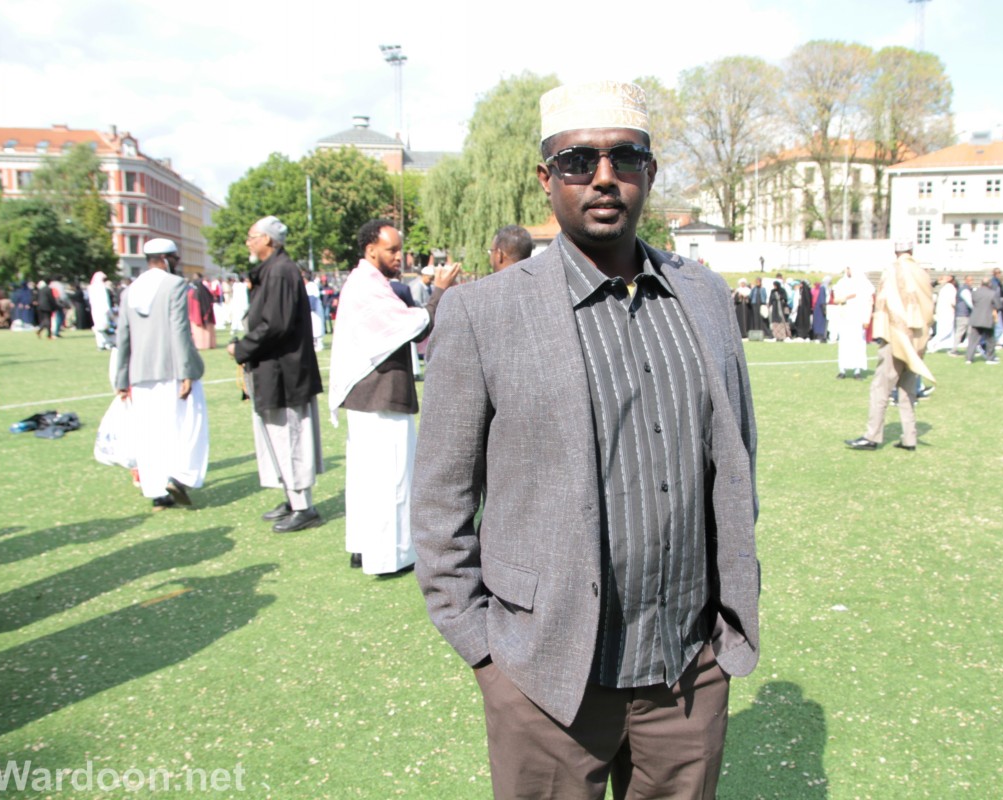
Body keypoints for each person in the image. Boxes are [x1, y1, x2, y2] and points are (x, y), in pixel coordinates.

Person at [412, 80, 760, 799]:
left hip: (687, 672)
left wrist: (722, 641)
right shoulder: (483, 313)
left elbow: (736, 464)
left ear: (649, 172)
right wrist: (483, 651)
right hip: (542, 681)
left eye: (624, 158)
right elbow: (441, 500)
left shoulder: (703, 297)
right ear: (547, 179)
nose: (603, 177)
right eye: (577, 161)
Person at [328, 219, 459, 574]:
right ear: (371, 249)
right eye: (392, 250)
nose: (400, 256)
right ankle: (390, 556)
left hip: (369, 395)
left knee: (368, 479)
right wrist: (440, 292)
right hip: (379, 394)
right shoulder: (366, 285)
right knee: (392, 479)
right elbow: (412, 325)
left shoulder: (367, 282)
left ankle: (365, 547)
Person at [228, 216, 326, 532]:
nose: (248, 243)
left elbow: (275, 325)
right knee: (277, 436)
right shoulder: (272, 271)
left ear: (267, 240)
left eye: (252, 237)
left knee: (290, 435)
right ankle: (291, 498)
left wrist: (242, 348)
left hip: (286, 371)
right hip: (274, 369)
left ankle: (303, 506)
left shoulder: (281, 271)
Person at [113, 238, 208, 509]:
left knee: (149, 433)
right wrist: (187, 371)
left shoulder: (130, 290)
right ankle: (180, 477)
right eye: (175, 257)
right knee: (187, 425)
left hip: (139, 373)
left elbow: (123, 337)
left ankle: (158, 492)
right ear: (166, 258)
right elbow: (179, 329)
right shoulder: (174, 285)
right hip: (172, 369)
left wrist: (122, 379)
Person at [845, 241, 935, 451]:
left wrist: (884, 331)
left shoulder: (892, 271)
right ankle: (909, 437)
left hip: (897, 336)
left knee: (881, 388)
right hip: (917, 339)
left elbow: (885, 302)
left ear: (896, 252)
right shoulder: (922, 273)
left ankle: (872, 435)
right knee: (907, 390)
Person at [833, 266, 874, 378]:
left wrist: (867, 319)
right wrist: (847, 297)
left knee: (858, 344)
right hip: (845, 317)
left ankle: (857, 370)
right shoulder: (842, 283)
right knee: (844, 344)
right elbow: (836, 299)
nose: (848, 271)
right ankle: (842, 370)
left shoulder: (864, 284)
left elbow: (869, 302)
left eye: (850, 268)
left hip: (858, 319)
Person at [965, 278, 1002, 364]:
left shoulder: (975, 293)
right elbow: (998, 306)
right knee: (990, 340)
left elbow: (973, 303)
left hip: (976, 318)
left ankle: (969, 358)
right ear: (989, 284)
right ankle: (990, 358)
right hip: (988, 319)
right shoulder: (992, 293)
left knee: (973, 340)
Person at [928, 274, 956, 353]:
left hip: (941, 311)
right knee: (946, 330)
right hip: (948, 312)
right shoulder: (951, 288)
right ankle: (932, 343)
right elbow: (953, 302)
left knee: (944, 330)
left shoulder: (944, 288)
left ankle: (946, 346)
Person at [187, 275, 217, 350]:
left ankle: (200, 344)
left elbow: (192, 305)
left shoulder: (193, 293)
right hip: (207, 314)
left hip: (197, 314)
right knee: (208, 330)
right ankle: (210, 344)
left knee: (199, 331)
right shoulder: (206, 291)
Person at [88, 271, 114, 349]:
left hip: (95, 310)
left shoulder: (91, 287)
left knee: (99, 328)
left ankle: (101, 343)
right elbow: (105, 300)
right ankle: (107, 343)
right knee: (105, 327)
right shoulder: (101, 287)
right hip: (103, 310)